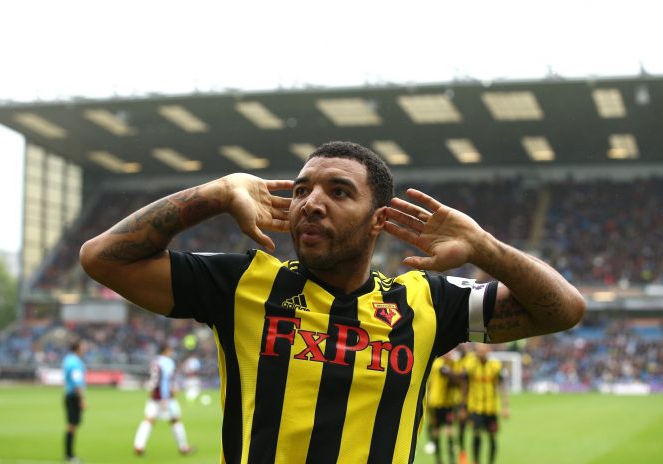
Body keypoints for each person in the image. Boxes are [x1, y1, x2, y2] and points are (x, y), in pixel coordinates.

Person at [80, 140, 585, 463]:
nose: (311, 203)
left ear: (378, 220)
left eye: (339, 192)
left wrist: (486, 248)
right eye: (302, 190)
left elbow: (564, 309)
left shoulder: (425, 302)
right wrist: (215, 194)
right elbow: (103, 259)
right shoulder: (243, 283)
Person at [133, 343, 195, 456]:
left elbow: (154, 380)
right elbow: (164, 380)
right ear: (166, 350)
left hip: (154, 395)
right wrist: (165, 396)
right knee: (175, 420)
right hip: (165, 397)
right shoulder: (167, 362)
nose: (172, 352)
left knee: (149, 420)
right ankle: (184, 447)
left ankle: (138, 446)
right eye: (170, 350)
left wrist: (153, 391)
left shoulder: (154, 361)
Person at [462, 344, 509, 464]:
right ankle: (476, 461)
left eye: (483, 351)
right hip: (476, 408)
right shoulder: (470, 365)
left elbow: (502, 386)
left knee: (492, 437)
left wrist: (505, 406)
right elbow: (465, 386)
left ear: (488, 351)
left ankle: (491, 461)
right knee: (476, 434)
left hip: (491, 408)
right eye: (479, 351)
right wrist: (463, 406)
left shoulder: (495, 366)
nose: (481, 353)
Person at [424, 350, 461, 463]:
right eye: (448, 353)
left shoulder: (451, 364)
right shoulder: (438, 364)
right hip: (436, 403)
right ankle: (439, 460)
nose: (450, 355)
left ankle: (451, 460)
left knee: (450, 431)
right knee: (436, 431)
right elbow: (454, 378)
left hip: (448, 403)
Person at [62, 339, 87, 463]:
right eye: (82, 346)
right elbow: (77, 382)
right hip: (74, 396)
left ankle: (69, 454)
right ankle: (69, 455)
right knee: (72, 425)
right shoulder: (76, 362)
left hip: (68, 394)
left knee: (72, 425)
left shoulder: (68, 359)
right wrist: (82, 399)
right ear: (77, 348)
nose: (84, 349)